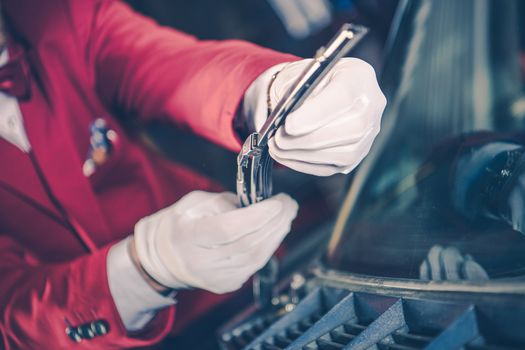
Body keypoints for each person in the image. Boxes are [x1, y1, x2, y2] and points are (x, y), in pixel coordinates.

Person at [0, 0, 386, 348]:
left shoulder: (55, 12)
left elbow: (167, 64)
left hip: (247, 274)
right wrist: (146, 266)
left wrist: (271, 93)